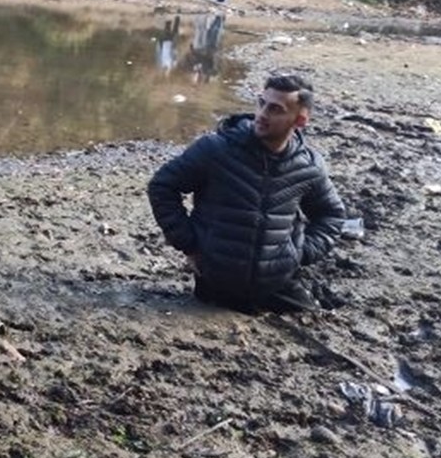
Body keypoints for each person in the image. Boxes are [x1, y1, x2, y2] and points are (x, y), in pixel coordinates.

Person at [147, 74, 346, 313]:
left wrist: (300, 254)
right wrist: (189, 243)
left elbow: (331, 215)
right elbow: (162, 186)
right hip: (216, 285)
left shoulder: (308, 167)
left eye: (275, 109)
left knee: (315, 314)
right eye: (262, 103)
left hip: (277, 284)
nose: (262, 114)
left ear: (300, 120)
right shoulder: (216, 150)